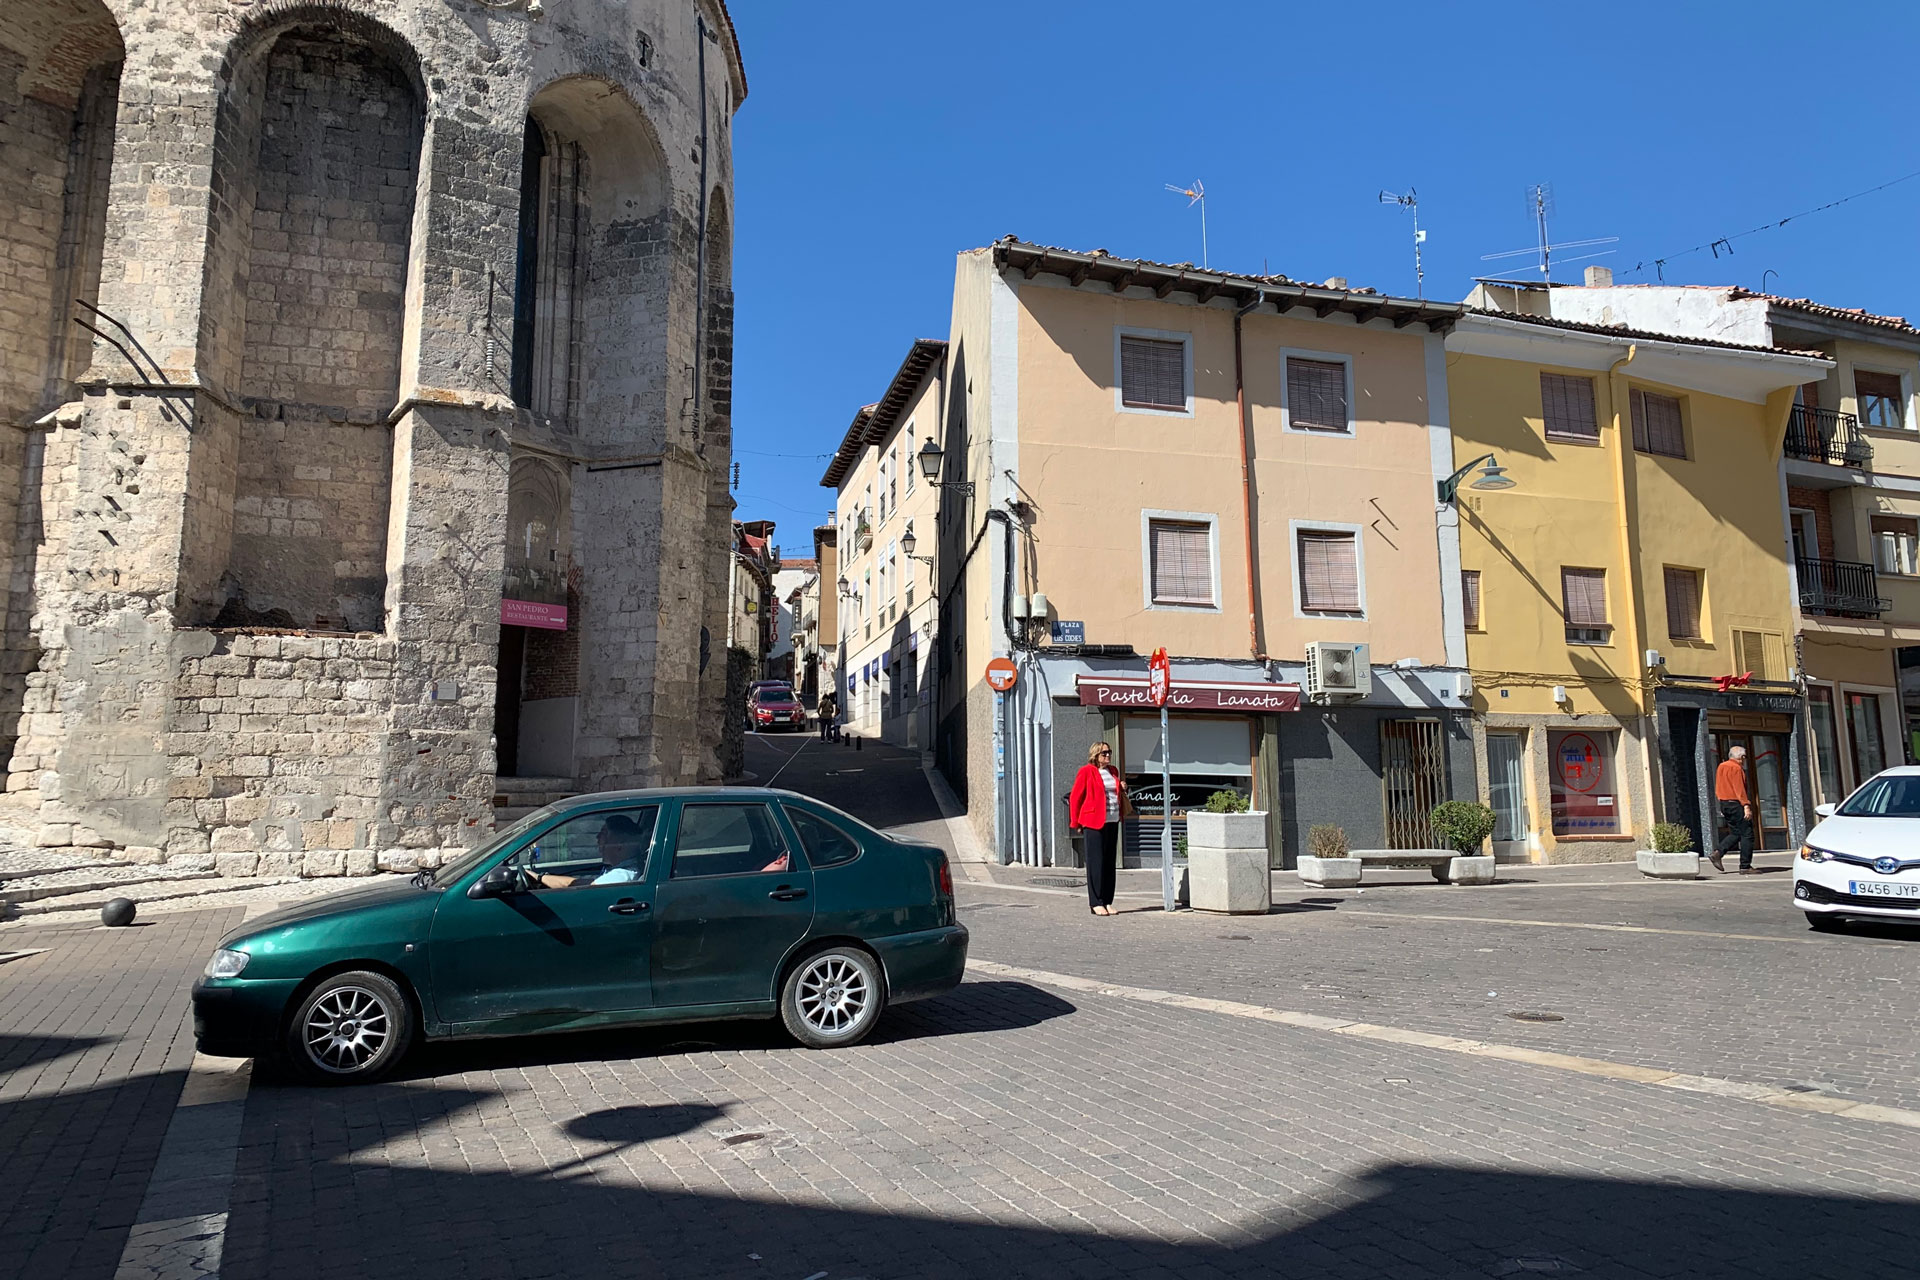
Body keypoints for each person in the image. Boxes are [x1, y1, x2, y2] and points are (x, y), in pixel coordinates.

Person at [1069, 741, 1130, 916]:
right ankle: (1095, 902)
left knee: (1109, 864)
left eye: (1109, 752)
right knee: (1096, 863)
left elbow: (1114, 792)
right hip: (1093, 822)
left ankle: (1108, 900)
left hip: (1112, 821)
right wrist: (1076, 823)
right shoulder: (1087, 771)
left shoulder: (1113, 771)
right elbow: (1075, 798)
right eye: (1104, 753)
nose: (1108, 756)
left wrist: (1122, 786)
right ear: (1095, 755)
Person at [535, 814, 650, 889]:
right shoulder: (619, 871)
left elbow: (583, 889)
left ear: (619, 844)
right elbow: (581, 883)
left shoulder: (621, 876)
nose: (597, 837)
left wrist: (538, 878)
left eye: (604, 834)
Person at [1711, 744, 1754, 874]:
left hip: (1725, 803)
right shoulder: (1736, 768)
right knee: (1747, 834)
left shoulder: (1721, 766)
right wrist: (1746, 805)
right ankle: (1745, 866)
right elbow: (1739, 788)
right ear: (1741, 757)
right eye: (1744, 757)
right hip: (1736, 804)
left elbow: (1718, 786)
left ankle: (1718, 852)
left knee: (1736, 832)